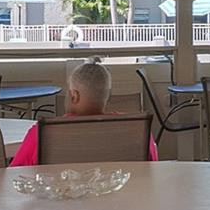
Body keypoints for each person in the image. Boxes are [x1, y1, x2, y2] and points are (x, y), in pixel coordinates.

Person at [8, 60, 153, 166]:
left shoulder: (42, 133)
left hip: (59, 207)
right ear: (106, 96)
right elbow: (151, 170)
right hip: (123, 206)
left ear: (74, 95)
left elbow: (14, 177)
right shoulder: (137, 130)